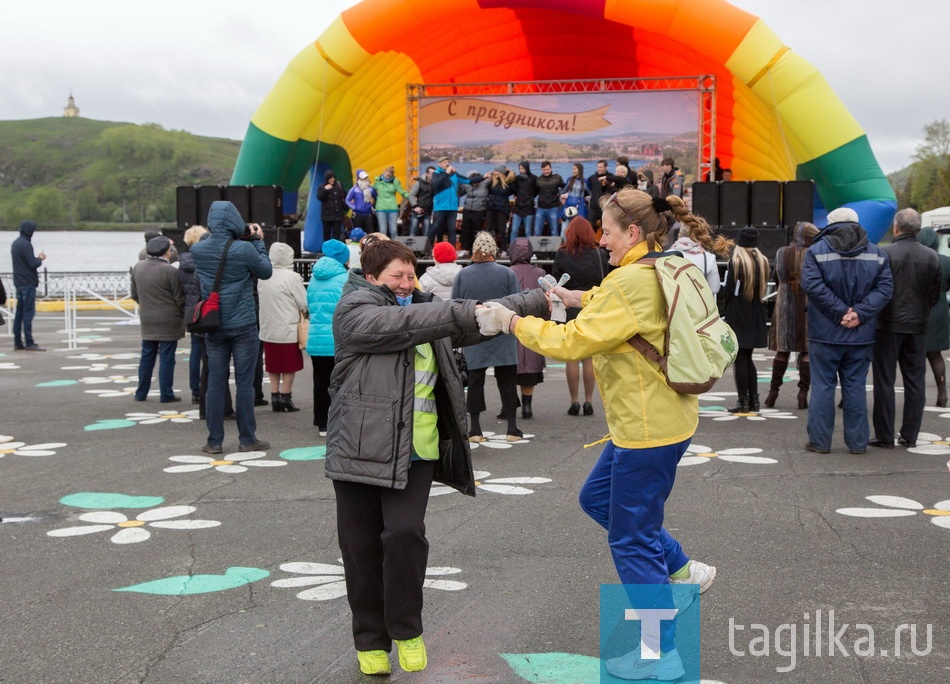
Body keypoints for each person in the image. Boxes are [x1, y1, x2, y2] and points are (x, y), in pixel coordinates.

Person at [476, 189, 719, 680]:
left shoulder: (628, 280)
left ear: (632, 233)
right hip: (660, 420)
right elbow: (625, 307)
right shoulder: (665, 264)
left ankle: (660, 655)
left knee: (630, 541)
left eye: (607, 231)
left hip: (646, 430)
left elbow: (573, 342)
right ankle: (680, 568)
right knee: (598, 500)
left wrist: (512, 322)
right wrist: (575, 297)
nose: (601, 240)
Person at [327, 238, 546, 675]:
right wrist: (463, 311)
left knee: (406, 536)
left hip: (417, 451)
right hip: (358, 449)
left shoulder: (426, 308)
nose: (407, 283)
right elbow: (412, 321)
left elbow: (480, 314)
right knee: (360, 548)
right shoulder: (355, 310)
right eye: (397, 276)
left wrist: (542, 297)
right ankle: (370, 641)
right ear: (371, 277)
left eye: (411, 274)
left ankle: (406, 630)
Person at [800, 207, 893, 454]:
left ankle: (820, 442)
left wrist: (839, 312)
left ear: (829, 225)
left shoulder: (815, 252)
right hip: (860, 334)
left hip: (824, 332)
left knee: (822, 386)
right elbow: (885, 290)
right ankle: (857, 443)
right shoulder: (877, 254)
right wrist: (858, 314)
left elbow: (811, 285)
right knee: (855, 388)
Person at [191, 200, 273, 454]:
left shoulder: (198, 250)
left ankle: (214, 441)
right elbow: (266, 271)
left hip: (213, 324)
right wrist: (257, 240)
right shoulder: (244, 249)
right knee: (244, 384)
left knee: (215, 383)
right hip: (243, 324)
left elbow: (208, 248)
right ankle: (247, 438)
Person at [870, 208, 942, 449]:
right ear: (918, 229)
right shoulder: (931, 256)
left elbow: (875, 289)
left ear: (896, 227)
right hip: (918, 324)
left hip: (887, 325)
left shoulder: (884, 253)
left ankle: (884, 434)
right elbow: (934, 293)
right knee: (915, 381)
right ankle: (910, 434)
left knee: (884, 380)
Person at [452, 232, 524, 441]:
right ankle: (512, 428)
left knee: (475, 382)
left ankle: (475, 429)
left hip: (476, 333)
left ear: (474, 251)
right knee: (507, 381)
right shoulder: (507, 273)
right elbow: (517, 302)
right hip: (503, 332)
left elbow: (456, 305)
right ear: (493, 251)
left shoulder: (463, 275)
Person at [553, 216, 610, 416]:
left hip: (569, 308)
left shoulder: (562, 254)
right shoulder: (598, 253)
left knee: (571, 357)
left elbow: (556, 283)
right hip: (591, 306)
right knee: (589, 358)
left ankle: (574, 400)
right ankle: (588, 400)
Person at [763, 222, 819, 409]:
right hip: (808, 303)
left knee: (782, 349)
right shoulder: (814, 253)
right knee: (806, 350)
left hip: (785, 302)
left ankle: (773, 393)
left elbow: (776, 276)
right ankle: (802, 394)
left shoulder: (781, 252)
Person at [131, 236, 185, 403]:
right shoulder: (170, 271)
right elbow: (179, 297)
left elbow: (134, 295)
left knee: (147, 356)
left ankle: (141, 392)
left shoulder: (137, 267)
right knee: (167, 357)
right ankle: (166, 393)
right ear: (166, 252)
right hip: (169, 320)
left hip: (147, 318)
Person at [722, 228, 770, 413]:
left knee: (739, 358)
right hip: (756, 311)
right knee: (748, 358)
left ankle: (742, 402)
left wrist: (726, 309)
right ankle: (754, 401)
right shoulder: (763, 261)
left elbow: (729, 291)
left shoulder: (737, 262)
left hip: (739, 311)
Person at [258, 241, 309, 413]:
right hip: (288, 327)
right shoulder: (292, 277)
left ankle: (274, 395)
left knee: (273, 364)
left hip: (268, 326)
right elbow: (303, 302)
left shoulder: (263, 276)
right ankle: (286, 396)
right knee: (289, 365)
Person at [306, 238, 349, 436]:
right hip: (338, 339)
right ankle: (338, 421)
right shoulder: (344, 279)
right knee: (340, 382)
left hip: (316, 338)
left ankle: (321, 422)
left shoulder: (314, 279)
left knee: (320, 380)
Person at [506, 237, 547, 418]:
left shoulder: (506, 272)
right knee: (531, 368)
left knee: (508, 370)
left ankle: (508, 405)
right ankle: (527, 406)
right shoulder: (540, 273)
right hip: (533, 326)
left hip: (511, 325)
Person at [918, 227, 950, 407]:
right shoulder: (946, 262)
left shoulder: (917, 257)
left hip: (918, 310)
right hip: (939, 311)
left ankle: (918, 395)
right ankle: (942, 393)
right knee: (936, 355)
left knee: (916, 357)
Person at [179, 225, 209, 403]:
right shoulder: (205, 261)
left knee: (195, 352)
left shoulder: (181, 264)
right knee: (211, 352)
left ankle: (195, 390)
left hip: (191, 311)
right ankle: (207, 387)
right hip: (206, 309)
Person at [427, 157, 482, 251]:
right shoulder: (436, 174)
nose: (447, 164)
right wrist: (446, 173)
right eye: (444, 162)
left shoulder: (454, 174)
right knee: (435, 228)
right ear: (439, 164)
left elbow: (468, 180)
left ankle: (452, 251)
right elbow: (435, 185)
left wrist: (484, 177)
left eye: (448, 162)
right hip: (440, 206)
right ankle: (427, 248)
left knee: (452, 229)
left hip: (452, 207)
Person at [670, 210, 731, 292]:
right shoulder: (708, 258)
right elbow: (715, 288)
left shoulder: (666, 255)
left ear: (679, 234)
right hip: (698, 303)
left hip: (674, 303)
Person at [11, 220, 46, 351]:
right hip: (28, 283)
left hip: (18, 282)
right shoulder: (26, 245)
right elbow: (32, 264)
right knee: (28, 313)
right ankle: (29, 341)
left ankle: (17, 341)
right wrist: (40, 259)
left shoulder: (15, 244)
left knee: (19, 313)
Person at [458, 171, 491, 257]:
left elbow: (493, 179)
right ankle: (465, 249)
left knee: (477, 231)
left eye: (477, 182)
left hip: (480, 210)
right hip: (467, 210)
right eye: (473, 182)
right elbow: (459, 193)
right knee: (465, 230)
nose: (475, 184)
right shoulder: (467, 185)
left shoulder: (485, 184)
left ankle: (476, 249)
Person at [486, 165, 515, 254]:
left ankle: (504, 249)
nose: (495, 173)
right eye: (495, 171)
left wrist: (510, 171)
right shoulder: (492, 182)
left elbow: (514, 181)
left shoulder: (508, 183)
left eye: (498, 171)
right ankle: (490, 248)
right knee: (489, 228)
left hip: (502, 209)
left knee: (502, 229)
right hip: (491, 208)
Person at [373, 166, 408, 239]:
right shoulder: (378, 180)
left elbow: (402, 192)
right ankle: (382, 247)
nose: (388, 177)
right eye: (387, 175)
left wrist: (411, 196)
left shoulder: (395, 181)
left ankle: (395, 247)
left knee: (393, 230)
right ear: (384, 172)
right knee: (383, 230)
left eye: (390, 176)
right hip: (381, 208)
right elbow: (372, 190)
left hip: (392, 208)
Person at [534, 161, 565, 237]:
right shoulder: (538, 179)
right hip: (541, 208)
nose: (546, 171)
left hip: (553, 207)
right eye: (544, 170)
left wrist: (560, 195)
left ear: (551, 168)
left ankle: (555, 248)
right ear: (541, 170)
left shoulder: (557, 177)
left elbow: (564, 188)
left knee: (554, 231)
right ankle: (536, 248)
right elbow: (535, 192)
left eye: (547, 169)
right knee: (537, 231)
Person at [316, 169, 347, 242]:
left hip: (337, 215)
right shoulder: (322, 186)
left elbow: (345, 196)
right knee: (326, 234)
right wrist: (325, 189)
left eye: (333, 178)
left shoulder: (339, 185)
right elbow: (319, 197)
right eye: (330, 178)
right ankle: (326, 250)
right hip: (327, 216)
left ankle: (334, 250)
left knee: (336, 235)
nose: (332, 180)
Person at [509, 161, 537, 240]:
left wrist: (530, 198)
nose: (521, 170)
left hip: (529, 209)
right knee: (514, 230)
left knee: (528, 231)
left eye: (522, 168)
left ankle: (529, 249)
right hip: (518, 208)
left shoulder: (533, 178)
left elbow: (536, 190)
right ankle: (512, 248)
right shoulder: (517, 178)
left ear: (527, 168)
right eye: (520, 168)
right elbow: (513, 189)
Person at [560, 163, 590, 232]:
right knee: (565, 229)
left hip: (580, 206)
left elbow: (590, 194)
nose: (573, 171)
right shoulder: (569, 179)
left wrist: (586, 199)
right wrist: (561, 196)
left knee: (579, 229)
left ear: (579, 170)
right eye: (572, 169)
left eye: (574, 169)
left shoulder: (585, 181)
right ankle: (565, 242)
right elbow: (563, 191)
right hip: (568, 204)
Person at [346, 169, 376, 235]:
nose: (365, 179)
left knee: (370, 233)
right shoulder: (354, 189)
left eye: (366, 178)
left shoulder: (370, 189)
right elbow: (347, 200)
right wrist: (354, 207)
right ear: (359, 178)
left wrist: (373, 203)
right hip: (357, 214)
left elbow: (376, 197)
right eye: (363, 178)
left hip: (368, 214)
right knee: (358, 234)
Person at [407, 167, 434, 237]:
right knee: (413, 232)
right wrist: (415, 206)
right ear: (427, 174)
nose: (433, 175)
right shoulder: (419, 183)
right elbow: (411, 195)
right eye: (432, 173)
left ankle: (426, 248)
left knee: (426, 234)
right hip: (417, 210)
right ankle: (410, 248)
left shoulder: (435, 184)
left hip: (428, 211)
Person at [587, 159, 609, 229]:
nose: (599, 169)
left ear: (606, 167)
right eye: (598, 167)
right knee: (590, 227)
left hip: (605, 208)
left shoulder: (610, 177)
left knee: (605, 228)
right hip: (593, 207)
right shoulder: (592, 178)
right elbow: (588, 188)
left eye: (601, 167)